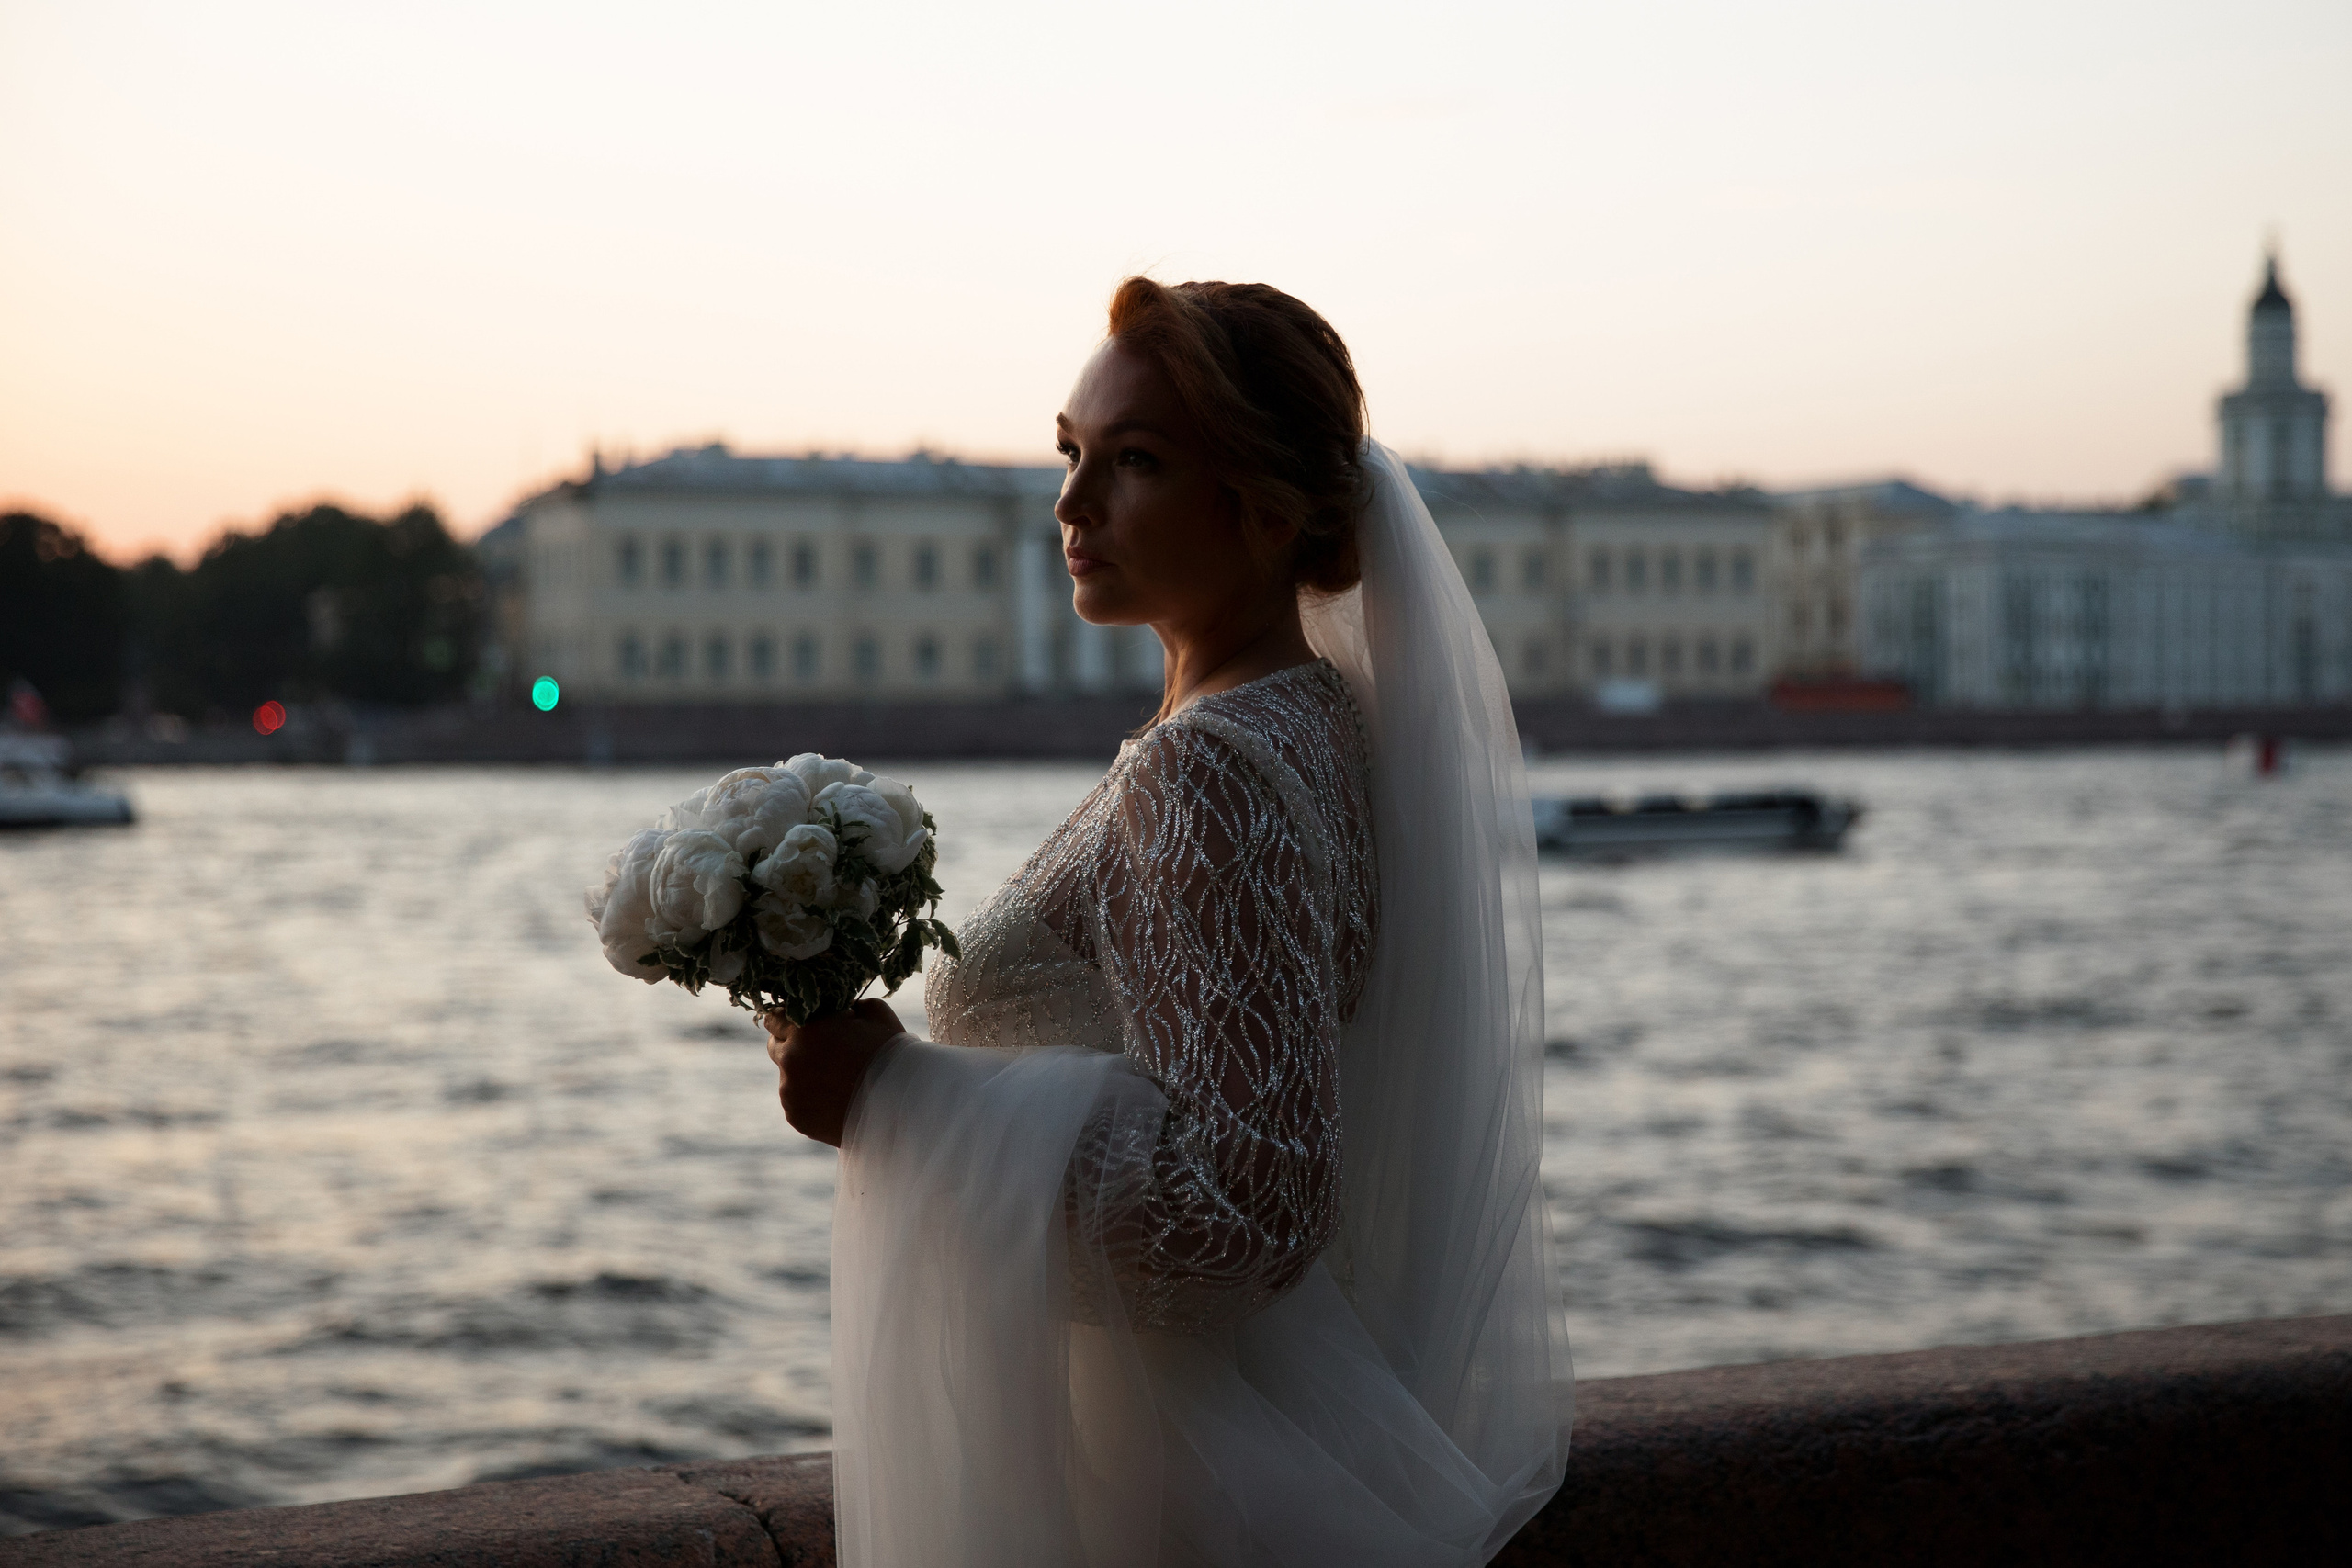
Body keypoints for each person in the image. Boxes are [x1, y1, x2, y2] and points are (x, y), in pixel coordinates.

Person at [765, 278, 1570, 1566]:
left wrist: (892, 1100)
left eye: (1134, 462)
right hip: (1225, 1451)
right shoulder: (1320, 724)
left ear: (1262, 508)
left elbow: (1243, 1210)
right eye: (1071, 453)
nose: (1073, 505)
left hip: (1172, 1490)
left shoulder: (1206, 769)